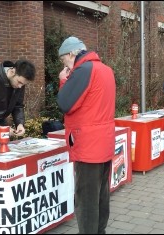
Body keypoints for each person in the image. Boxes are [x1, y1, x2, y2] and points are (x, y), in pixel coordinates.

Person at [56, 36, 116, 234]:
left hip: (88, 145)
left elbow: (65, 103)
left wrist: (63, 80)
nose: (65, 65)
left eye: (64, 60)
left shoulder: (83, 70)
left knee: (86, 200)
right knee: (100, 195)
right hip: (103, 142)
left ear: (72, 53)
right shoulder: (105, 70)